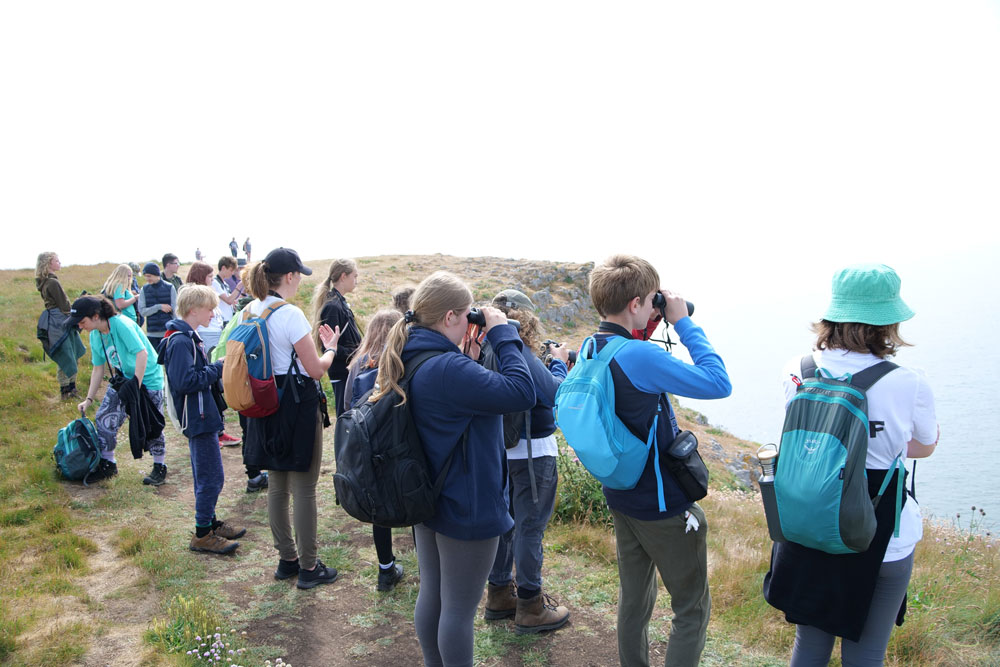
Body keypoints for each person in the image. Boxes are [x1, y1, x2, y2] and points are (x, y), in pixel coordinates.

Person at [763, 264, 939, 667]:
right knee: (866, 653)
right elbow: (923, 447)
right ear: (888, 321)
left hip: (809, 525)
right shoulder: (908, 381)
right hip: (881, 534)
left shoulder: (798, 369)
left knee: (809, 645)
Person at [371, 271, 534, 666]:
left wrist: (469, 360)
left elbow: (453, 404)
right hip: (468, 504)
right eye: (466, 314)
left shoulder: (413, 353)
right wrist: (502, 334)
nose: (471, 321)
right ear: (449, 318)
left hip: (430, 498)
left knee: (435, 594)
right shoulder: (448, 368)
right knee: (459, 611)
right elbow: (522, 392)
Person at [586, 254, 731, 667]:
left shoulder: (593, 347)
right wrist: (683, 321)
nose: (657, 306)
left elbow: (630, 382)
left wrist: (650, 320)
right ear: (635, 304)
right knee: (691, 609)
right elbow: (718, 382)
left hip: (621, 495)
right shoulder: (639, 357)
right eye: (652, 300)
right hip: (663, 504)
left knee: (634, 602)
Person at [241, 248, 343, 590]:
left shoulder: (249, 310)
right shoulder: (291, 315)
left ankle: (287, 560)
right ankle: (310, 567)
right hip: (296, 405)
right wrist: (331, 349)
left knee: (277, 486)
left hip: (264, 402)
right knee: (304, 488)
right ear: (289, 277)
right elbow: (315, 370)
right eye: (298, 274)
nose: (300, 280)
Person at [483, 289, 571, 634]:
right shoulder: (518, 349)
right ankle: (531, 607)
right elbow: (553, 394)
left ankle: (499, 593)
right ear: (527, 321)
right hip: (534, 454)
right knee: (530, 528)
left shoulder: (490, 349)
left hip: (503, 451)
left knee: (507, 524)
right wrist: (560, 363)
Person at [160, 285, 246, 554]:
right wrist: (216, 368)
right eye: (210, 308)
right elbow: (185, 381)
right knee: (211, 477)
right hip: (197, 418)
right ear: (193, 310)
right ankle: (202, 534)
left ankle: (209, 524)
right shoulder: (181, 341)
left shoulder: (187, 337)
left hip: (202, 415)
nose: (213, 313)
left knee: (206, 474)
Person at [70, 294, 169, 486]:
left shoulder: (121, 324)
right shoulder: (95, 335)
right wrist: (89, 399)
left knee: (151, 423)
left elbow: (142, 353)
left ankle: (160, 466)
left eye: (82, 321)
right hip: (124, 379)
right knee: (104, 417)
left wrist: (136, 385)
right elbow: (98, 368)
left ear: (96, 315)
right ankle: (108, 464)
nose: (80, 326)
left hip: (148, 378)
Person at [344, 308, 405, 591]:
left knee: (379, 508)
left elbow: (347, 405)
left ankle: (385, 568)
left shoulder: (358, 363)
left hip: (368, 445)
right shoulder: (401, 360)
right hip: (399, 444)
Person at [185, 261, 241, 447]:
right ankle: (215, 431)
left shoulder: (206, 296)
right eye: (209, 276)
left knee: (214, 384)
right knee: (210, 383)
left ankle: (218, 429)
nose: (212, 279)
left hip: (214, 337)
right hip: (207, 338)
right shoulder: (195, 297)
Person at [311, 258, 361, 417]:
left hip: (347, 371)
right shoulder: (333, 306)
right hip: (342, 373)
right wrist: (356, 353)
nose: (356, 281)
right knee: (345, 419)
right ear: (343, 276)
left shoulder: (339, 303)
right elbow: (329, 347)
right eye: (354, 276)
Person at [36, 251, 85, 399]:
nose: (60, 263)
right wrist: (75, 316)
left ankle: (69, 389)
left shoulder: (44, 281)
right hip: (61, 320)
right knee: (68, 354)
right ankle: (68, 390)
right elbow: (64, 305)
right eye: (57, 260)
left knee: (69, 353)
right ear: (49, 263)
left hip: (54, 320)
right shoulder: (52, 282)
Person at [138, 262, 177, 350]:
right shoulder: (144, 290)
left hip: (168, 332)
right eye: (145, 276)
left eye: (149, 276)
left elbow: (175, 311)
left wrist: (175, 329)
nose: (147, 278)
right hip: (152, 334)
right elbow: (142, 311)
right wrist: (159, 307)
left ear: (156, 274)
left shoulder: (170, 287)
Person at [213, 256, 241, 327]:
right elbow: (228, 301)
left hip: (228, 320)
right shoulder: (215, 282)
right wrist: (239, 286)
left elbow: (232, 302)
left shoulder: (225, 284)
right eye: (231, 270)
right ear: (223, 268)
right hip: (222, 322)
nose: (232, 273)